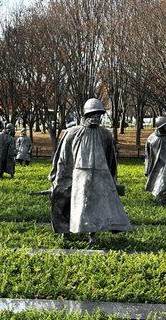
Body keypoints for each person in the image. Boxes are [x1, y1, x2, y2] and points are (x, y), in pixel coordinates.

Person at [49, 98, 132, 244]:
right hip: (78, 174)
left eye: (98, 115)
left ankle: (92, 234)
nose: (96, 118)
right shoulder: (72, 133)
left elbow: (110, 157)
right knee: (69, 202)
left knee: (95, 205)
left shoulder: (105, 134)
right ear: (86, 114)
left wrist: (111, 177)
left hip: (100, 174)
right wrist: (59, 175)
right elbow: (63, 156)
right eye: (93, 114)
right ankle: (65, 232)